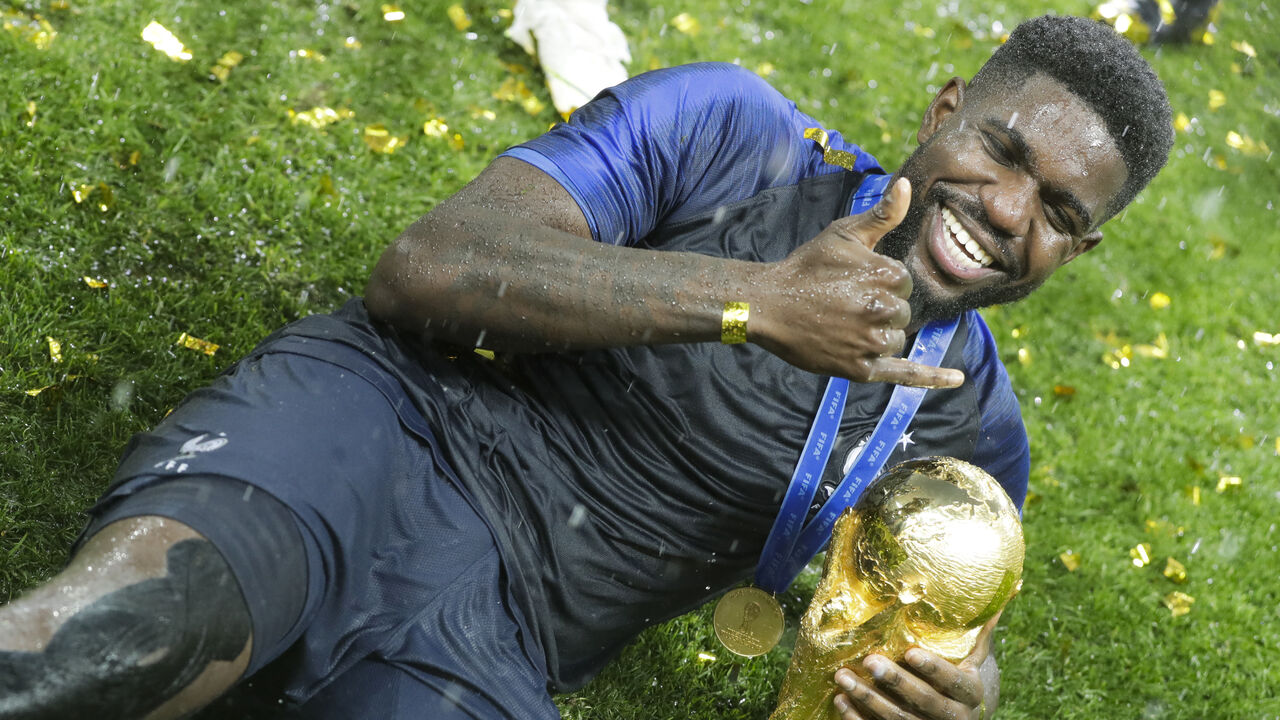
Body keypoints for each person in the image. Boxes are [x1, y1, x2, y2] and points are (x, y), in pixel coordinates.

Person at [0, 14, 1171, 720]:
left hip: (502, 631)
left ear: (1080, 245)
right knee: (129, 642)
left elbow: (963, 645)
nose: (1005, 208)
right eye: (997, 151)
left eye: (1057, 209)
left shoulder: (969, 434)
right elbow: (430, 263)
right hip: (372, 432)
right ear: (946, 108)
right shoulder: (734, 135)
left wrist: (960, 697)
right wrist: (749, 303)